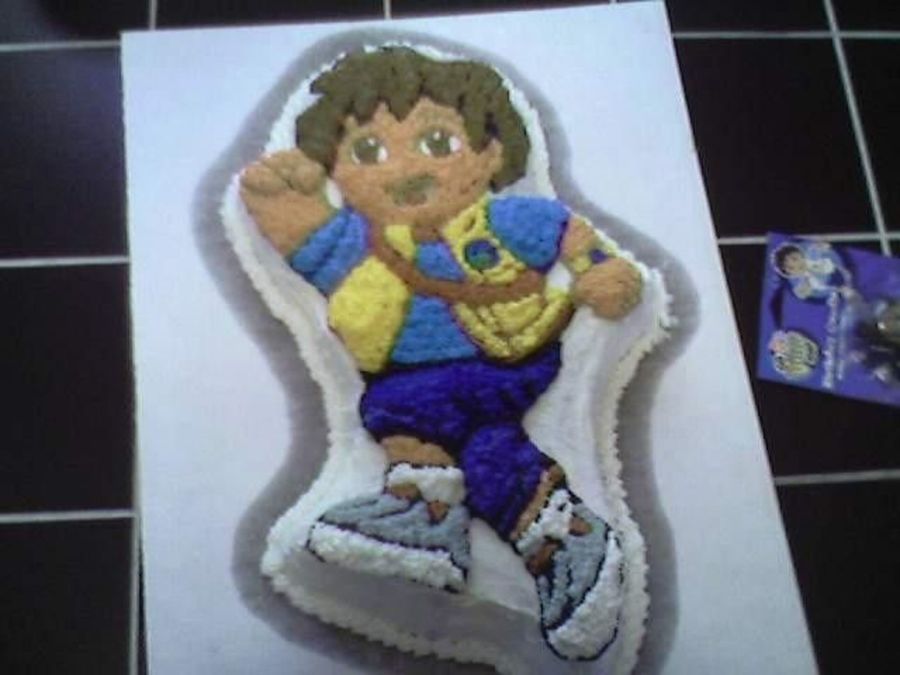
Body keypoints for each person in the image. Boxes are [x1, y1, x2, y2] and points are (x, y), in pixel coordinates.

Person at [238, 46, 643, 660]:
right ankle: (564, 540)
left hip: (503, 356)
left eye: (436, 142)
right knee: (483, 451)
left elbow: (568, 233)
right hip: (412, 375)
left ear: (492, 152)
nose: (405, 169)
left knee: (409, 407)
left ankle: (425, 508)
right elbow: (306, 238)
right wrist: (278, 194)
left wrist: (600, 272)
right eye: (367, 151)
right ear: (336, 168)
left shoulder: (505, 222)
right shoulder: (359, 240)